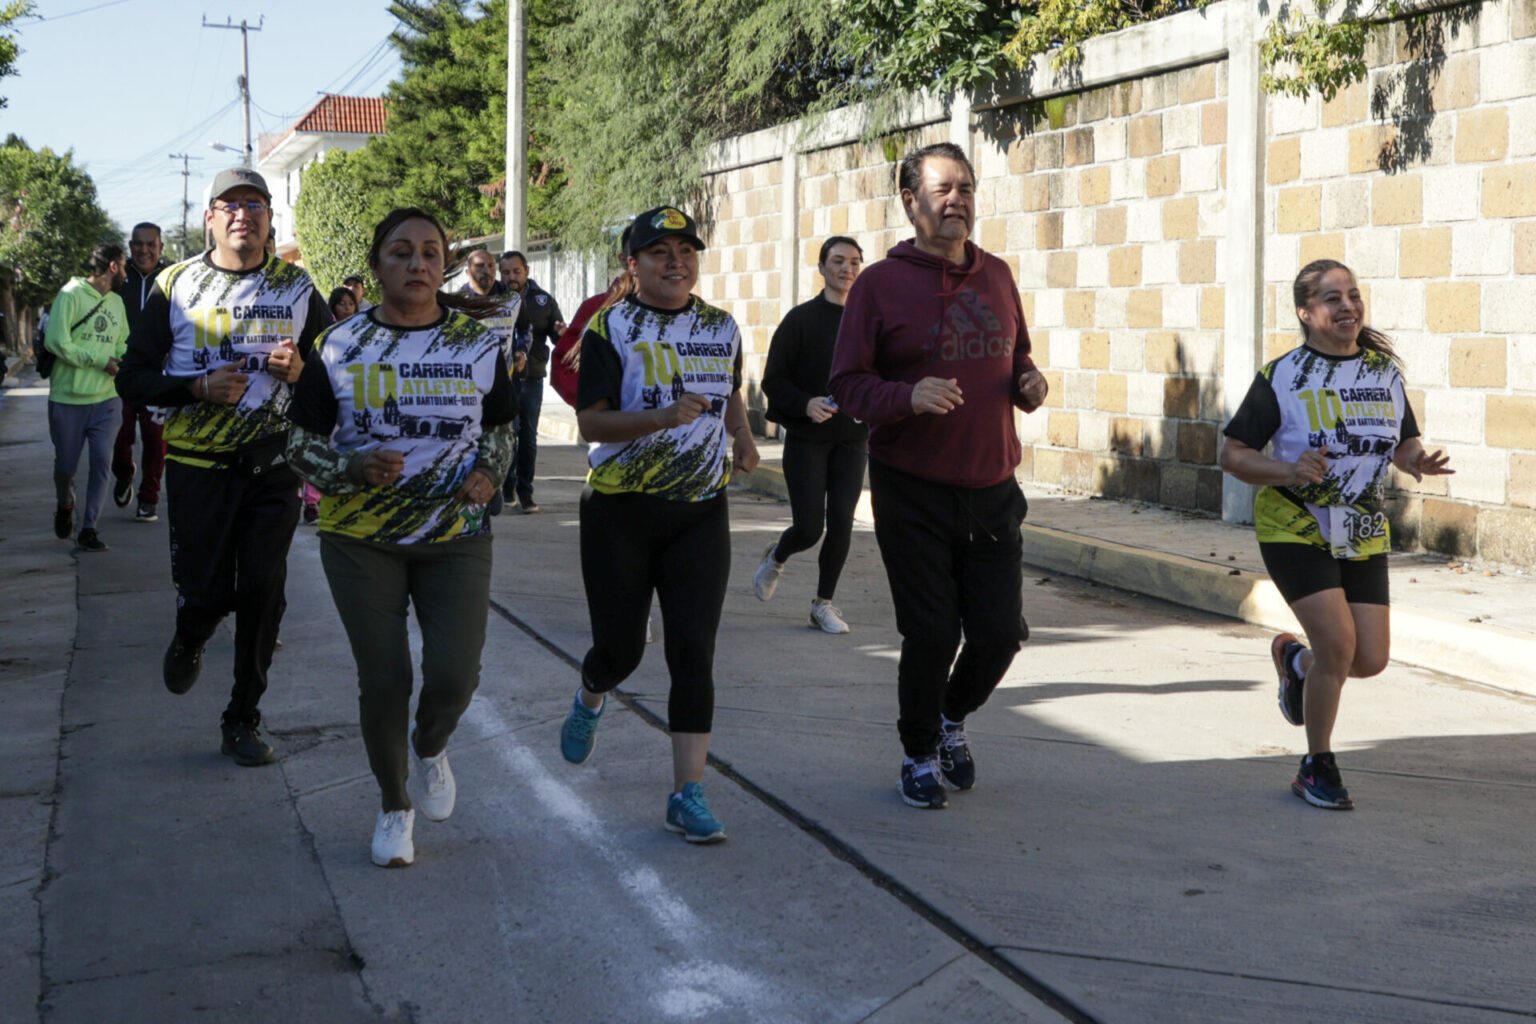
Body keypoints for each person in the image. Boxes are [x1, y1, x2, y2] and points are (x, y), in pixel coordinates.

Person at [288, 207, 516, 868]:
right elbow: (298, 445)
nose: (417, 264)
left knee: (455, 672)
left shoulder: (476, 344)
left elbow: (501, 426)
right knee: (384, 676)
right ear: (376, 265)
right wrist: (349, 468)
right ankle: (394, 805)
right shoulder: (338, 345)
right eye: (400, 253)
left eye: (428, 252)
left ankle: (431, 743)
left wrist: (489, 471)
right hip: (361, 537)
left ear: (445, 264)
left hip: (455, 534)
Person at [829, 142, 1048, 810]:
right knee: (930, 634)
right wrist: (907, 396)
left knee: (999, 634)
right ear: (910, 201)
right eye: (943, 189)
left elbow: (1018, 357)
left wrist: (1028, 383)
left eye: (966, 189)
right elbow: (846, 384)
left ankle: (952, 718)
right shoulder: (878, 286)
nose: (957, 201)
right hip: (912, 487)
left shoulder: (998, 276)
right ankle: (919, 750)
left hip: (992, 487)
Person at [1218, 259, 1452, 811]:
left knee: (1368, 658)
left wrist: (1417, 459)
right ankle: (1316, 764)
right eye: (1331, 298)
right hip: (1294, 523)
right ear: (1306, 312)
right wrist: (1288, 470)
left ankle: (1296, 664)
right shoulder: (1283, 376)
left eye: (1353, 295)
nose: (1347, 306)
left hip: (1362, 524)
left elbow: (1401, 442)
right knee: (1339, 645)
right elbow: (1232, 454)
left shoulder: (1383, 374)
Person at [117, 167, 330, 768]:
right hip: (196, 465)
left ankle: (242, 718)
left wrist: (301, 371)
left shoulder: (296, 286)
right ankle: (191, 634)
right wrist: (198, 389)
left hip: (272, 469)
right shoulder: (175, 283)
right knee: (207, 592)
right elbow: (134, 376)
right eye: (230, 205)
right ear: (210, 217)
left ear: (269, 219)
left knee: (264, 590)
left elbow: (336, 370)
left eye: (255, 204)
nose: (244, 214)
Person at [560, 205, 759, 843]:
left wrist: (745, 438)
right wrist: (661, 418)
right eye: (660, 252)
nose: (676, 262)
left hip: (700, 512)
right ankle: (593, 690)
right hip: (621, 511)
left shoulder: (720, 326)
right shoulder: (609, 327)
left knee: (692, 654)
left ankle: (687, 794)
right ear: (633, 264)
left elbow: (729, 395)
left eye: (686, 251)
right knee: (619, 651)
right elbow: (591, 424)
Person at [756, 236, 869, 634]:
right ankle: (777, 556)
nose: (847, 269)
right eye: (838, 261)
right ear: (821, 268)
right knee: (809, 527)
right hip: (808, 437)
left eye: (854, 262)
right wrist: (805, 404)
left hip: (852, 437)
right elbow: (773, 380)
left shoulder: (868, 321)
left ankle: (823, 604)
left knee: (842, 522)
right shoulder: (800, 320)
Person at [45, 243, 129, 552]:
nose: (125, 272)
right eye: (122, 265)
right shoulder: (70, 294)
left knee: (101, 462)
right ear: (111, 267)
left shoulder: (117, 303)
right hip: (68, 399)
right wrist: (98, 361)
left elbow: (123, 341)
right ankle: (65, 502)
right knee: (66, 467)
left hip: (107, 399)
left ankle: (89, 528)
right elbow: (57, 342)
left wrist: (121, 360)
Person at [498, 250, 565, 513]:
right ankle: (506, 487)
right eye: (505, 272)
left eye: (516, 271)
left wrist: (562, 333)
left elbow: (558, 335)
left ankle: (526, 492)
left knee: (528, 437)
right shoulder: (493, 300)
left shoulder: (542, 300)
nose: (511, 277)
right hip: (501, 379)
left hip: (532, 377)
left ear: (526, 271)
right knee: (508, 433)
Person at [113, 222, 169, 522]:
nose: (143, 250)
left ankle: (149, 498)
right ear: (130, 246)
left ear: (160, 247)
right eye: (138, 244)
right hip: (119, 372)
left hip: (156, 375)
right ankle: (124, 474)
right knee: (119, 438)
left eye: (150, 244)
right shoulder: (118, 279)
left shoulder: (172, 278)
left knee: (155, 439)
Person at [461, 249, 524, 514]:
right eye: (479, 266)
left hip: (502, 381)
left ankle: (495, 485)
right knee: (469, 435)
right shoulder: (457, 301)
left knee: (505, 434)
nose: (485, 270)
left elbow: (525, 330)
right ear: (468, 271)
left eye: (489, 265)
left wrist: (522, 352)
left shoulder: (511, 299)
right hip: (467, 383)